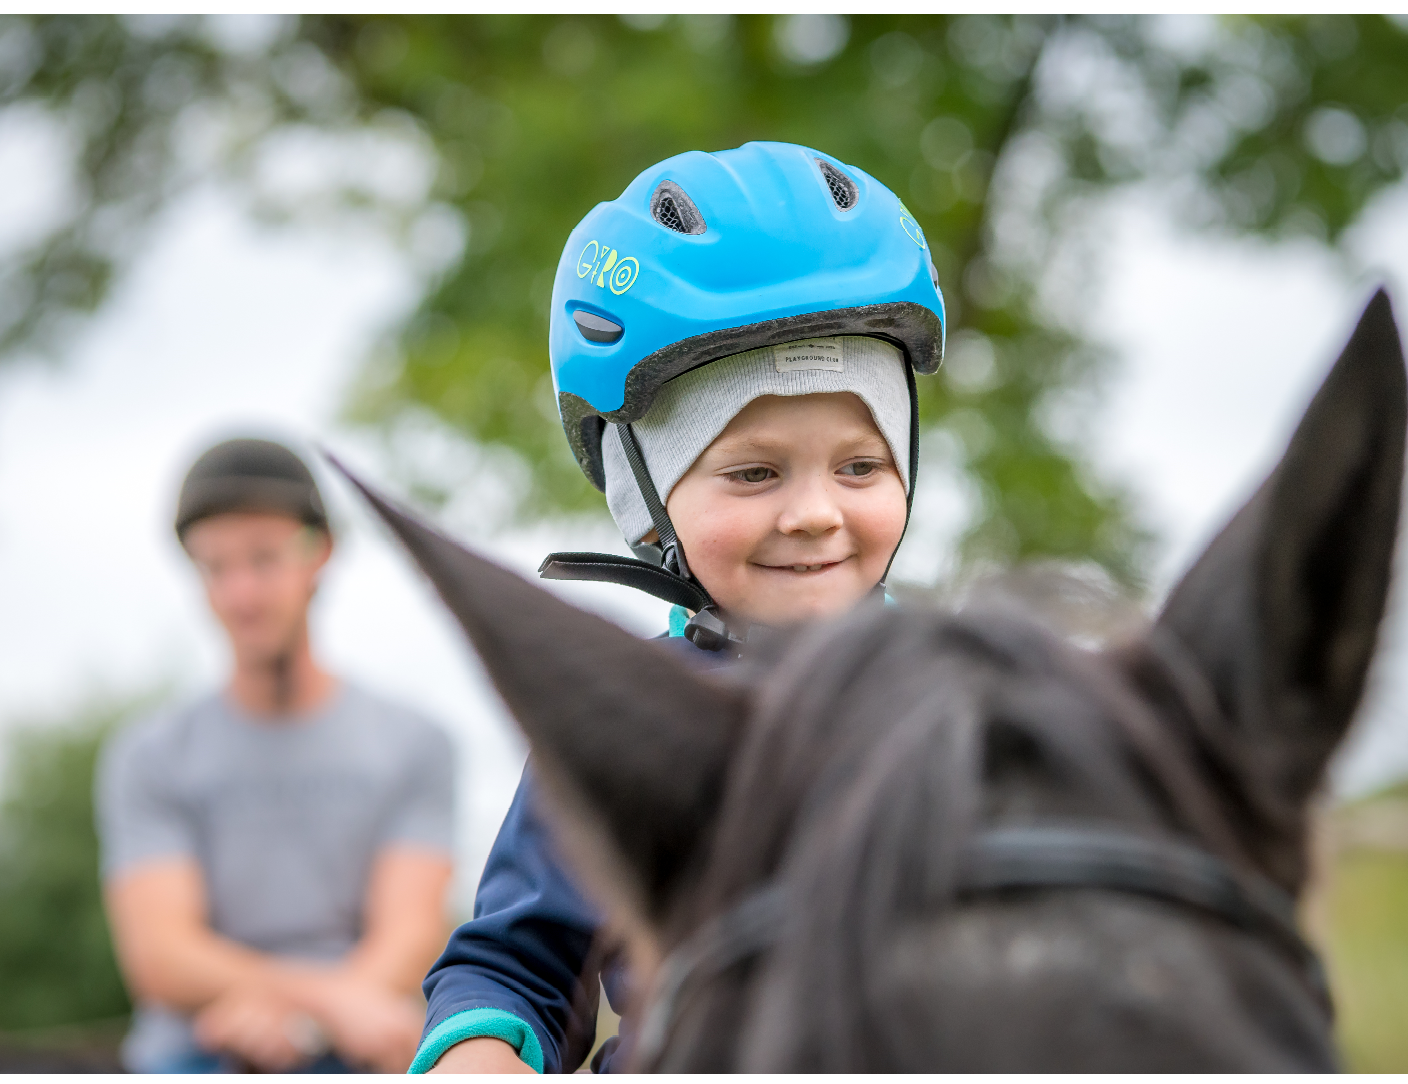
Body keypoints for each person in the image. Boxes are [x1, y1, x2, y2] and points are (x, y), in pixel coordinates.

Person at [413, 141, 940, 1074]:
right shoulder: (619, 725)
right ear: (642, 495)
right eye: (753, 473)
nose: (815, 513)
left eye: (860, 466)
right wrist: (480, 1052)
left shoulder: (968, 699)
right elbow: (518, 967)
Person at [100, 437, 460, 1074]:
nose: (240, 594)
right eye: (215, 568)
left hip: (365, 1041)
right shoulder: (148, 756)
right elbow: (160, 956)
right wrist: (324, 1002)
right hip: (203, 1040)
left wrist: (318, 1017)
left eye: (263, 559)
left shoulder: (416, 741)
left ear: (319, 553)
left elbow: (410, 933)